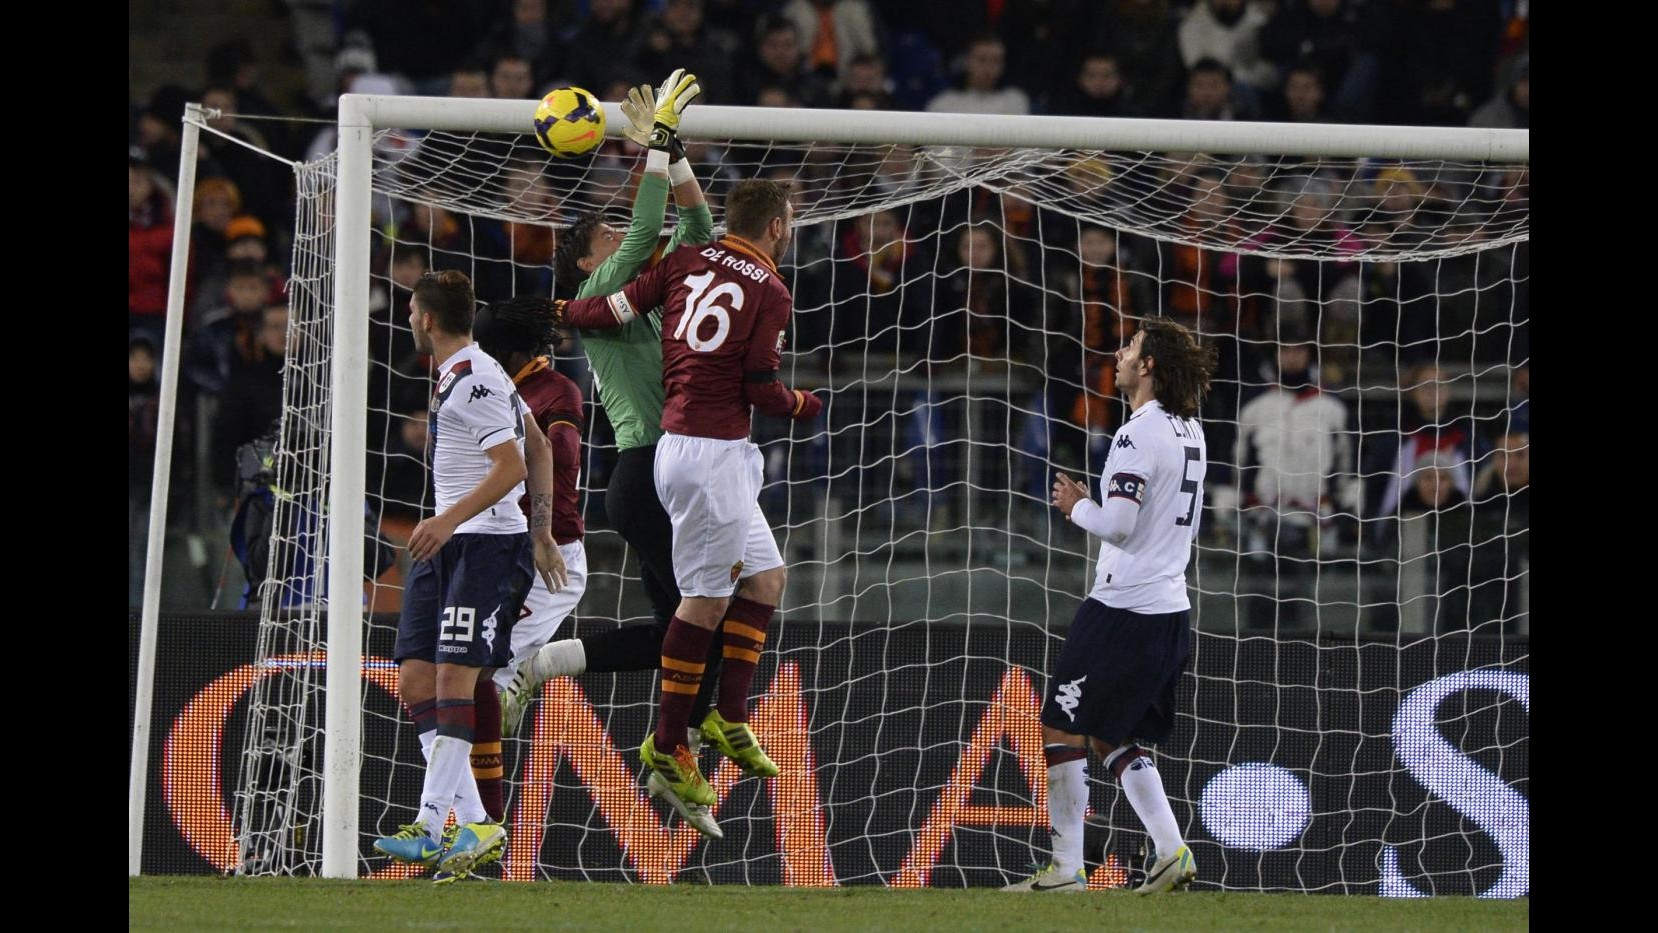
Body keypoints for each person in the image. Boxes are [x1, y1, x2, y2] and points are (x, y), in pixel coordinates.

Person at [494, 70, 729, 841]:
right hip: (647, 474)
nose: (624, 233)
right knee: (704, 627)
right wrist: (651, 150)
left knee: (681, 635)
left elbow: (696, 231)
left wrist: (673, 151)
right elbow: (643, 230)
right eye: (607, 230)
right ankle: (679, 759)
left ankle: (548, 666)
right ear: (587, 260)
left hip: (672, 475)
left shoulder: (653, 284)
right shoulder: (602, 285)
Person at [557, 179, 823, 835]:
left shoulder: (685, 262)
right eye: (608, 237)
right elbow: (760, 384)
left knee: (762, 580)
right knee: (699, 609)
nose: (623, 238)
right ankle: (668, 743)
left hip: (694, 455)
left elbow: (616, 305)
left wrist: (556, 310)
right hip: (691, 457)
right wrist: (801, 405)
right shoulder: (764, 287)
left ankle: (723, 715)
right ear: (780, 228)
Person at [1005, 319, 1216, 895]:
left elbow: (1118, 527)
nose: (1119, 354)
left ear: (1147, 367)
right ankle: (1172, 851)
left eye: (1130, 348)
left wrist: (1076, 505)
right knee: (1110, 735)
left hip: (1124, 606)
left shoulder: (1135, 434)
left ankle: (1067, 871)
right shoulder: (1191, 430)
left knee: (1060, 724)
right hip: (1170, 607)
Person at [370, 271, 567, 883]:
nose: (407, 319)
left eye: (410, 310)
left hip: (478, 546)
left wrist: (458, 520)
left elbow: (510, 465)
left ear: (426, 318)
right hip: (451, 547)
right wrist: (541, 530)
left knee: (457, 675)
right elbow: (537, 445)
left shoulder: (476, 378)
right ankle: (477, 822)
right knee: (415, 679)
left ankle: (433, 826)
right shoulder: (469, 372)